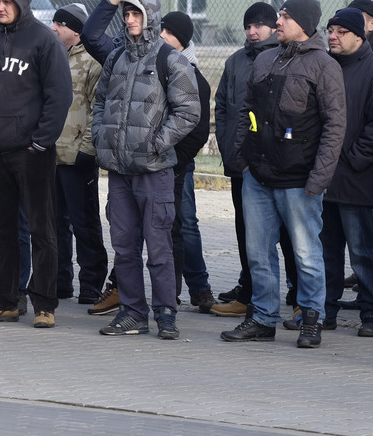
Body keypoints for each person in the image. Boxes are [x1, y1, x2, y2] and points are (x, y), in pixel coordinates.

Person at [221, 0, 346, 348]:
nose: (278, 21)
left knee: (307, 254)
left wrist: (318, 179)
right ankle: (262, 318)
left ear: (303, 22)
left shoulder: (324, 65)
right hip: (257, 177)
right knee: (258, 252)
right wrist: (241, 158)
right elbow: (246, 111)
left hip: (300, 181)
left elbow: (335, 126)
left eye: (286, 16)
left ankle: (310, 319)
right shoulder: (265, 59)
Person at [89, 0, 199, 339]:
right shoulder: (116, 57)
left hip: (154, 171)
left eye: (137, 13)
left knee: (159, 248)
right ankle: (132, 312)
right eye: (127, 13)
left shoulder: (171, 59)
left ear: (150, 16)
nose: (131, 19)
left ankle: (166, 312)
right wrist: (100, 135)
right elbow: (99, 101)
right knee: (123, 246)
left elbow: (189, 112)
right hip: (119, 172)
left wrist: (156, 142)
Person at [0, 0, 73, 327]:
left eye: (8, 1)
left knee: (41, 230)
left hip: (32, 153)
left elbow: (60, 95)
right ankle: (4, 300)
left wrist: (40, 142)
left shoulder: (43, 40)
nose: (0, 6)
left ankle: (44, 304)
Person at [209, 2, 299, 319]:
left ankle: (300, 295)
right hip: (241, 164)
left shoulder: (286, 57)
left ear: (273, 26)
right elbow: (222, 107)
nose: (252, 31)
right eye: (248, 26)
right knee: (247, 233)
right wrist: (227, 145)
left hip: (280, 166)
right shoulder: (235, 62)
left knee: (290, 234)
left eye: (258, 25)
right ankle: (248, 291)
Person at [50, 2, 108, 307]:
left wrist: (88, 149)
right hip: (53, 156)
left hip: (79, 157)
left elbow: (97, 110)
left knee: (84, 222)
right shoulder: (54, 57)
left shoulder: (93, 62)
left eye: (59, 24)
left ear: (75, 29)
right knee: (55, 223)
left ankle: (92, 282)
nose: (53, 28)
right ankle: (60, 281)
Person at [320, 8, 373, 336]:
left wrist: (353, 159)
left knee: (363, 254)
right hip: (324, 181)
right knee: (325, 254)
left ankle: (370, 314)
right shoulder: (325, 67)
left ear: (359, 35)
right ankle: (323, 312)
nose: (332, 36)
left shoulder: (370, 69)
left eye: (340, 31)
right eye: (330, 29)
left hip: (358, 181)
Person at [159, 11, 215, 313]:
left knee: (182, 225)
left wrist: (175, 161)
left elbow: (197, 131)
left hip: (176, 163)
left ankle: (195, 288)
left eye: (167, 32)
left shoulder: (194, 78)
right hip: (153, 161)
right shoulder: (152, 67)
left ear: (180, 41)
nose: (160, 36)